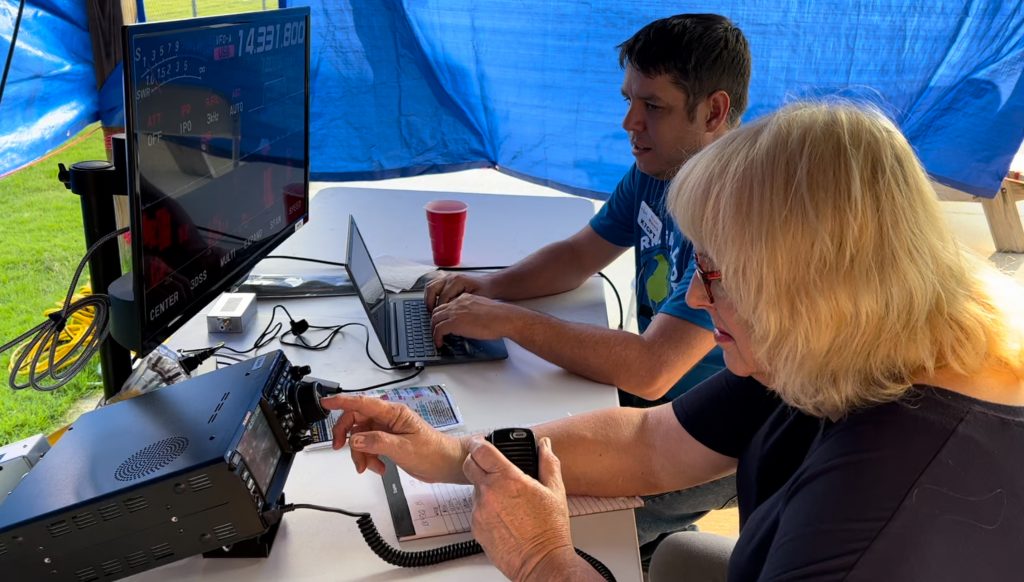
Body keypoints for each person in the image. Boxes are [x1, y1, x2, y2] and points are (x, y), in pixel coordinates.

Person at [322, 101, 1024, 581]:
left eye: (713, 272)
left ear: (804, 286)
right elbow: (650, 444)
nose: (693, 296)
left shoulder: (878, 527)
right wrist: (453, 455)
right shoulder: (846, 348)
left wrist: (544, 562)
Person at [425, 13, 751, 407]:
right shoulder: (658, 169)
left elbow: (652, 371)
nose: (629, 122)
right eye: (629, 100)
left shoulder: (738, 218)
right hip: (659, 402)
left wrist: (507, 321)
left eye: (653, 105)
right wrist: (494, 285)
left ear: (713, 112)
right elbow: (579, 255)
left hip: (709, 425)